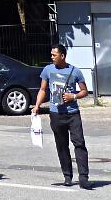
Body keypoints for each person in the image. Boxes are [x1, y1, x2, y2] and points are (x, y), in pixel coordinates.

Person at [32, 43, 91, 188]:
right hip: (56, 114)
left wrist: (73, 96)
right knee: (62, 145)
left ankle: (83, 178)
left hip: (72, 114)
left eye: (54, 55)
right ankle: (67, 176)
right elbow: (43, 89)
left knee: (79, 144)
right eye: (51, 54)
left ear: (62, 56)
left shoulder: (75, 71)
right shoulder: (47, 70)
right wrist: (37, 105)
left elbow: (84, 91)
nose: (51, 57)